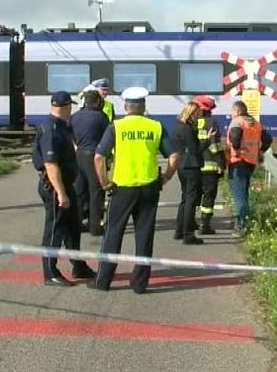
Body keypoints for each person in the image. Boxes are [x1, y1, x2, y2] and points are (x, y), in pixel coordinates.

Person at [91, 86, 180, 293]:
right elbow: (174, 156)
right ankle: (140, 284)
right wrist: (166, 177)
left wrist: (105, 183)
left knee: (113, 233)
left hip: (122, 188)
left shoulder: (117, 127)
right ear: (143, 106)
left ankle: (103, 281)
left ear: (126, 106)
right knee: (144, 235)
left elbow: (99, 157)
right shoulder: (155, 126)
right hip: (149, 188)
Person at [33, 91, 96, 286]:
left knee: (73, 228)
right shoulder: (51, 129)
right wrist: (61, 193)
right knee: (55, 229)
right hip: (54, 187)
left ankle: (78, 265)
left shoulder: (62, 126)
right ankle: (50, 272)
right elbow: (51, 164)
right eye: (71, 106)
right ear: (67, 106)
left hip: (66, 184)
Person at [227, 100, 273, 234]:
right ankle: (244, 221)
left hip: (238, 160)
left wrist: (236, 149)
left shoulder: (238, 121)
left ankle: (242, 225)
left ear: (237, 111)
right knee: (244, 192)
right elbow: (268, 139)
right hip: (251, 162)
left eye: (232, 111)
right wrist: (259, 151)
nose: (231, 114)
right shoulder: (256, 124)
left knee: (239, 194)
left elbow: (235, 137)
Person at [70, 88, 110, 236]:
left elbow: (70, 135)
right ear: (98, 101)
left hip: (78, 155)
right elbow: (107, 137)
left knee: (80, 190)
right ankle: (95, 226)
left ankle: (79, 223)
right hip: (94, 156)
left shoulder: (75, 117)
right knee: (96, 191)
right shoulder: (101, 117)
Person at [172, 101, 205, 244]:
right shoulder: (188, 129)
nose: (199, 118)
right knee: (191, 199)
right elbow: (195, 150)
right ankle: (188, 234)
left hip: (181, 165)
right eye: (198, 115)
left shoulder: (177, 127)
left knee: (184, 198)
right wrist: (207, 141)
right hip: (191, 165)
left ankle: (179, 231)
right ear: (192, 114)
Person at [193, 95, 224, 235]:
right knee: (208, 196)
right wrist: (221, 164)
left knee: (193, 195)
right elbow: (215, 146)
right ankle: (205, 225)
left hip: (193, 166)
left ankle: (190, 223)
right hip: (210, 166)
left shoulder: (191, 122)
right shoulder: (212, 123)